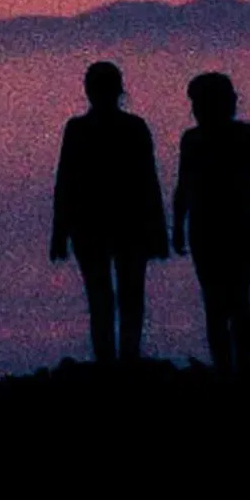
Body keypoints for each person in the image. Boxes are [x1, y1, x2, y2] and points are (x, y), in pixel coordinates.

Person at [49, 60, 169, 366]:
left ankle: (110, 360)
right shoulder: (132, 127)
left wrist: (60, 232)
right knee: (127, 296)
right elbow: (148, 181)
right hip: (126, 225)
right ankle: (125, 358)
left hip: (94, 226)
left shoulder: (80, 129)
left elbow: (66, 182)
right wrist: (158, 229)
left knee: (102, 297)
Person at [171, 70, 250, 377]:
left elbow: (183, 187)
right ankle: (237, 366)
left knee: (217, 303)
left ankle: (226, 368)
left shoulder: (195, 140)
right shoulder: (242, 136)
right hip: (236, 228)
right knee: (237, 300)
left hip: (212, 230)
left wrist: (178, 227)